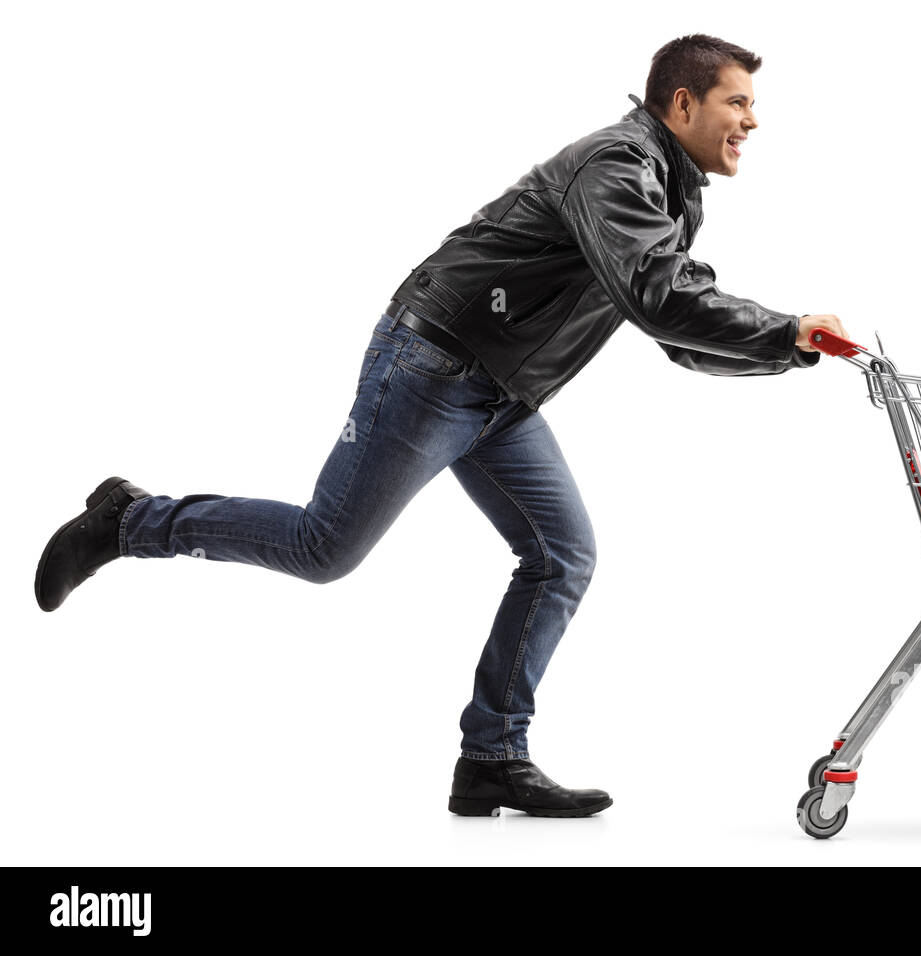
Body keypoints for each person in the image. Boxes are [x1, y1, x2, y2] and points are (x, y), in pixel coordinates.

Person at [34, 34, 850, 819]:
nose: (752, 121)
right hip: (435, 363)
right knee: (325, 550)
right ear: (682, 103)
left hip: (499, 393)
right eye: (737, 102)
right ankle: (132, 520)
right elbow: (658, 295)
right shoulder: (617, 165)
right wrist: (784, 328)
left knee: (561, 555)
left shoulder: (668, 190)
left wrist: (791, 349)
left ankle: (492, 756)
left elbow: (672, 332)